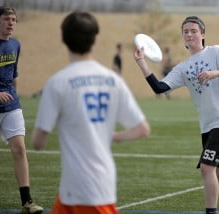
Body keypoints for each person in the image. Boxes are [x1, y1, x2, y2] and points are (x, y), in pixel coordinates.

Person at [31, 11, 150, 214]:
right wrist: (114, 136)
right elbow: (142, 129)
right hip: (98, 185)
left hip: (78, 188)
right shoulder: (113, 80)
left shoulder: (57, 83)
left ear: (63, 39)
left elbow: (38, 142)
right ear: (94, 40)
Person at [133, 16, 219, 214]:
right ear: (183, 37)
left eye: (194, 30)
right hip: (207, 123)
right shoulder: (182, 68)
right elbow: (159, 88)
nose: (189, 34)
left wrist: (216, 73)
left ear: (202, 34)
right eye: (186, 31)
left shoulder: (217, 51)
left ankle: (211, 212)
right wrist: (142, 62)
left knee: (206, 168)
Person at [0, 6, 43, 214]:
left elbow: (14, 74)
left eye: (14, 19)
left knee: (20, 149)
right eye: (7, 19)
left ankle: (27, 202)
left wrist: (14, 95)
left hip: (11, 107)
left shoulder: (16, 44)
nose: (11, 23)